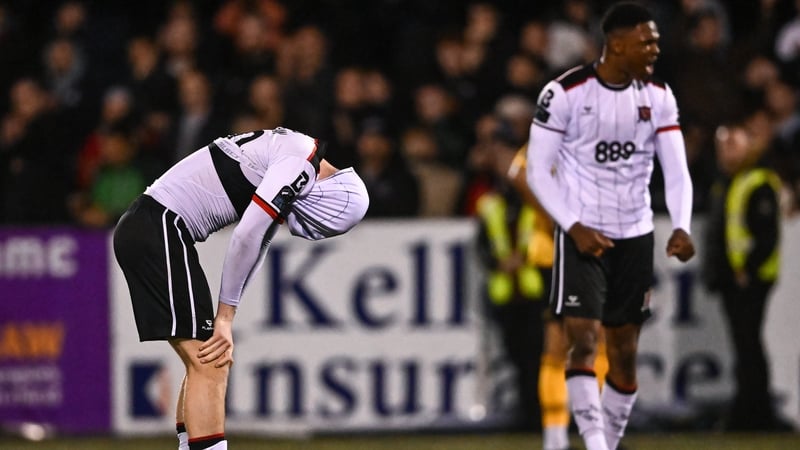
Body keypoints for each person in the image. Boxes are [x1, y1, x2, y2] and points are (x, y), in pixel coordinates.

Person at [113, 127, 369, 450]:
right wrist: (224, 318)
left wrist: (227, 314)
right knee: (212, 361)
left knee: (205, 358)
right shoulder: (299, 165)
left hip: (153, 226)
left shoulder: (296, 155)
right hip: (159, 228)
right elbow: (246, 235)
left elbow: (259, 241)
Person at [526, 3, 695, 450]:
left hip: (635, 234)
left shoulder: (658, 95)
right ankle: (595, 445)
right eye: (647, 41)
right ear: (617, 44)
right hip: (583, 236)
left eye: (655, 40)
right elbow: (536, 172)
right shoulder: (564, 93)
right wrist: (573, 225)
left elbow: (676, 171)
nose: (655, 48)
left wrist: (681, 225)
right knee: (582, 341)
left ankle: (608, 442)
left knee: (623, 354)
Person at [507, 144, 609, 450]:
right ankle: (561, 435)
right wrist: (560, 216)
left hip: (592, 252)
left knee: (594, 341)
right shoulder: (552, 136)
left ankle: (580, 434)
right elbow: (518, 173)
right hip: (559, 256)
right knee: (564, 344)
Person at [702, 118, 789, 432]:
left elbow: (766, 236)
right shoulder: (727, 182)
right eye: (723, 145)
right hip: (731, 279)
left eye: (733, 144)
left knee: (749, 347)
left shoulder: (757, 181)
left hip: (750, 281)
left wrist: (747, 271)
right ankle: (749, 409)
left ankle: (755, 412)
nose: (727, 152)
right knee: (744, 346)